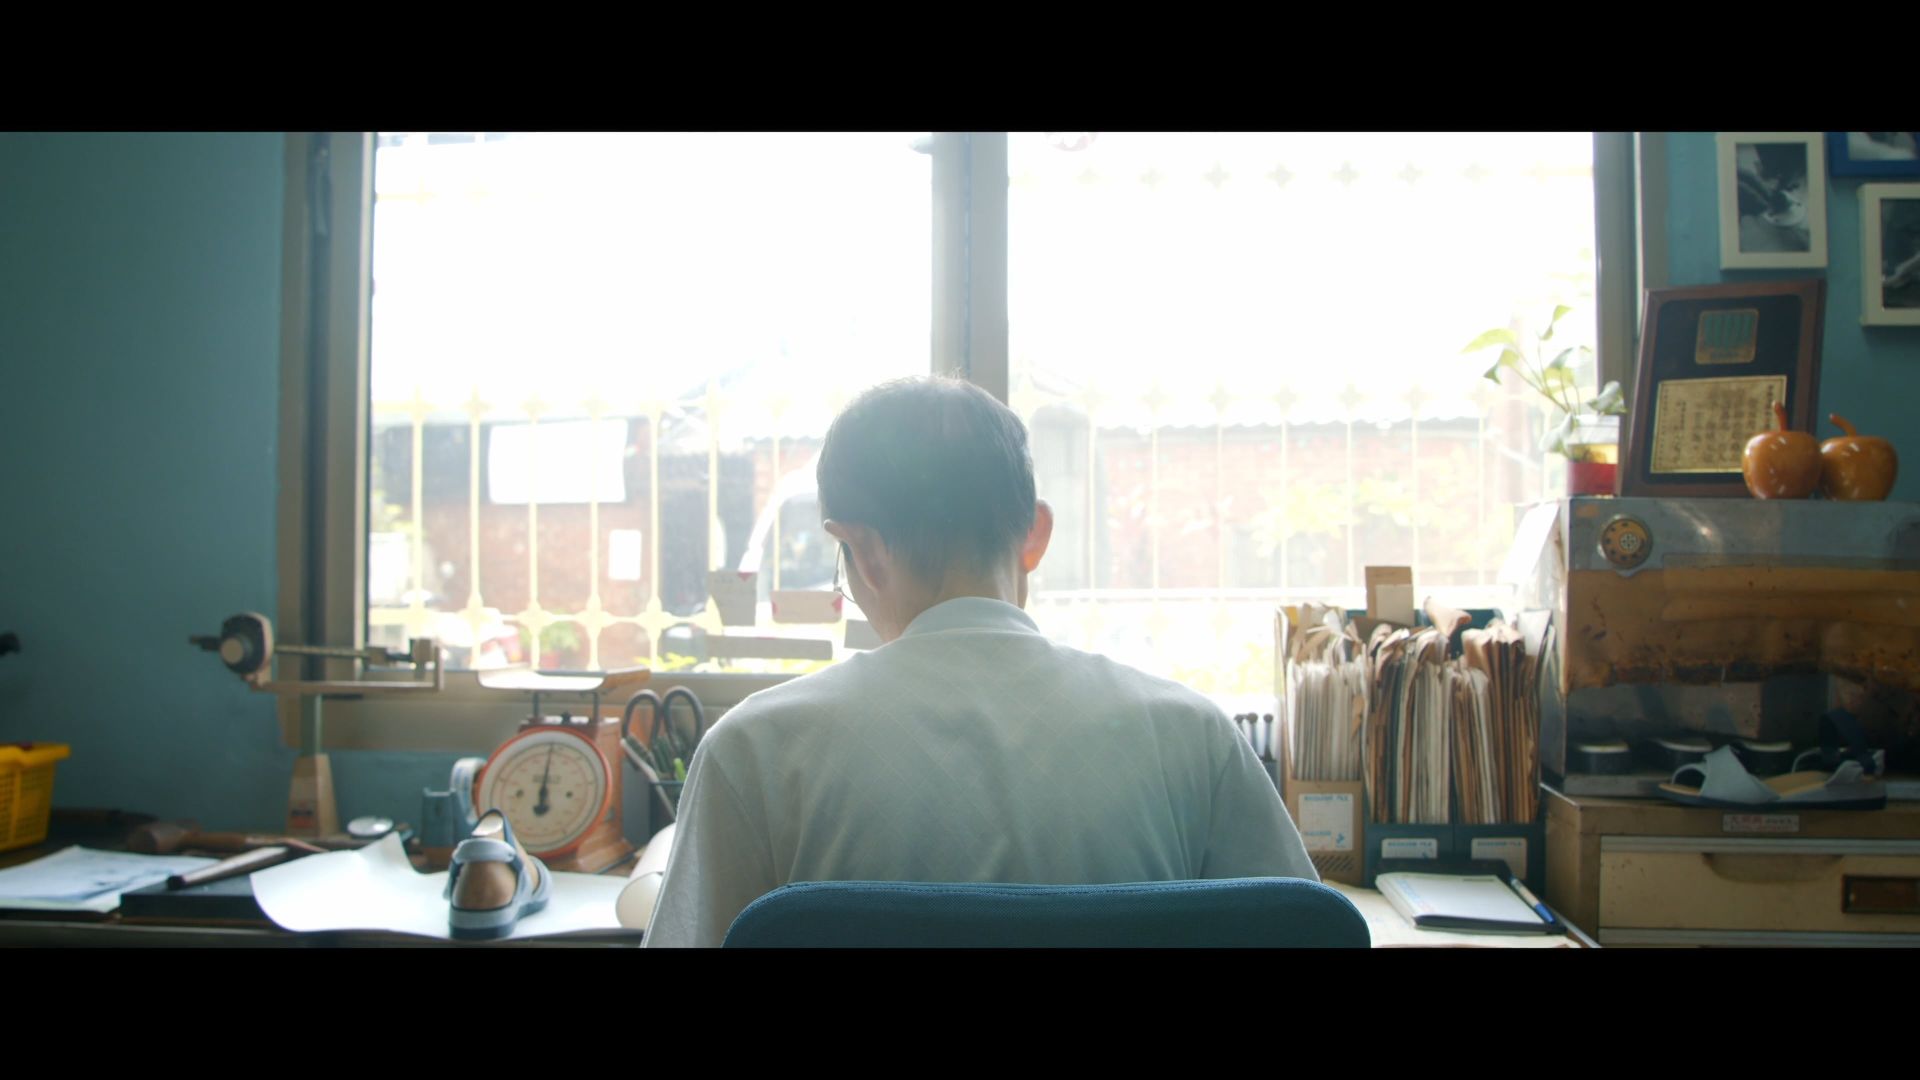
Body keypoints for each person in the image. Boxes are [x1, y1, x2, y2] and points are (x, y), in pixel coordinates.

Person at [644, 376, 1315, 947]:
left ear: (865, 552)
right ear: (1034, 535)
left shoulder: (754, 751)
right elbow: (1308, 926)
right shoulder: (1192, 736)